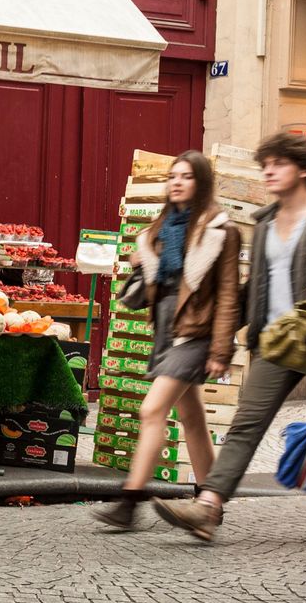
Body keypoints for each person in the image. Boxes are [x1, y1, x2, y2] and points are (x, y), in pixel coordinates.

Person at [154, 133, 306, 542]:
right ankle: (208, 506)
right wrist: (215, 338)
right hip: (274, 341)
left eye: (279, 164)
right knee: (245, 425)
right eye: (265, 164)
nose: (269, 171)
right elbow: (252, 287)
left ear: (305, 170)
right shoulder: (265, 221)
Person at [92, 152, 240, 531]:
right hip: (166, 331)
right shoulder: (161, 228)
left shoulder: (220, 229)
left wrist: (222, 350)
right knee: (192, 418)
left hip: (196, 333)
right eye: (173, 176)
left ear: (201, 182)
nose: (176, 182)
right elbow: (157, 287)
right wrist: (143, 264)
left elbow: (227, 294)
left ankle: (130, 500)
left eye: (186, 177)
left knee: (151, 410)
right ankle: (210, 506)